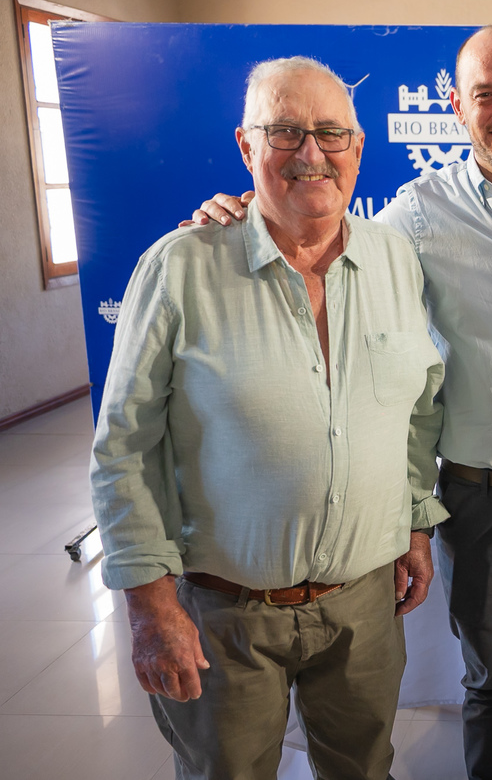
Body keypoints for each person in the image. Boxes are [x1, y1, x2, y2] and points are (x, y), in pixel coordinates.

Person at [191, 25, 492, 780]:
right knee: (489, 688)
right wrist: (242, 215)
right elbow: (317, 232)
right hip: (475, 500)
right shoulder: (416, 215)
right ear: (455, 105)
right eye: (485, 95)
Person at [90, 56, 447, 779]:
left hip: (364, 609)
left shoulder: (395, 261)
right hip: (224, 615)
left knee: (364, 770)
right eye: (284, 132)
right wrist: (150, 607)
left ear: (357, 149)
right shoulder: (179, 266)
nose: (311, 153)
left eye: (330, 133)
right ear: (246, 147)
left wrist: (412, 521)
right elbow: (125, 446)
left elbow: (417, 410)